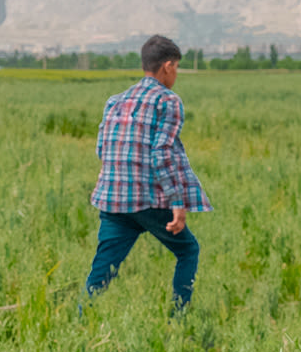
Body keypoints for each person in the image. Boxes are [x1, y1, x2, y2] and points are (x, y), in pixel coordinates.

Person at [84, 34, 211, 312]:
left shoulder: (114, 101)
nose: (175, 74)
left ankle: (83, 320)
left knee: (103, 269)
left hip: (112, 199)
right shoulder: (169, 101)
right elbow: (162, 154)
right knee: (188, 250)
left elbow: (102, 148)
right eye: (176, 67)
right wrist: (177, 203)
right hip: (148, 201)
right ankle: (179, 319)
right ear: (167, 66)